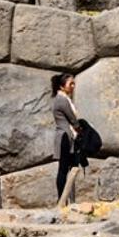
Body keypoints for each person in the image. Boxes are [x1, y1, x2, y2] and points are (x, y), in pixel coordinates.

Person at [51, 72, 81, 205]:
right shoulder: (62, 100)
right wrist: (82, 129)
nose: (73, 86)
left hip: (67, 136)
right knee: (64, 169)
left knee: (70, 168)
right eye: (71, 84)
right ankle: (62, 200)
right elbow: (73, 120)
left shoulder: (63, 99)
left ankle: (68, 200)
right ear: (62, 86)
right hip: (65, 136)